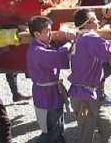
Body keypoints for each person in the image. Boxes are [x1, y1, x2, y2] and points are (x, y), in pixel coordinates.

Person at [68, 9, 111, 143]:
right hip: (85, 96)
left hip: (88, 93)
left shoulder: (81, 37)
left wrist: (106, 20)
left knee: (107, 124)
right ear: (87, 25)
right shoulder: (89, 38)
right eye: (94, 19)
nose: (97, 21)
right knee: (86, 137)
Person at [26, 15, 72, 143]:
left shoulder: (44, 44)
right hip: (45, 94)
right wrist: (69, 44)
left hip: (52, 90)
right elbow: (58, 56)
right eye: (48, 31)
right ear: (37, 34)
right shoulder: (37, 51)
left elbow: (57, 47)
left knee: (59, 124)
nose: (51, 34)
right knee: (53, 128)